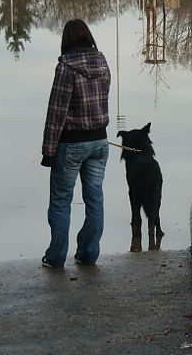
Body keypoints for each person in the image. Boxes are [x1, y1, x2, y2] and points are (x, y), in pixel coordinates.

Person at [41, 19, 111, 268]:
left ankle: (56, 256)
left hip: (71, 144)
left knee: (61, 200)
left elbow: (56, 111)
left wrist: (48, 151)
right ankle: (88, 253)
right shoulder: (103, 63)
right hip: (100, 141)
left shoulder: (66, 67)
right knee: (95, 199)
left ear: (66, 40)